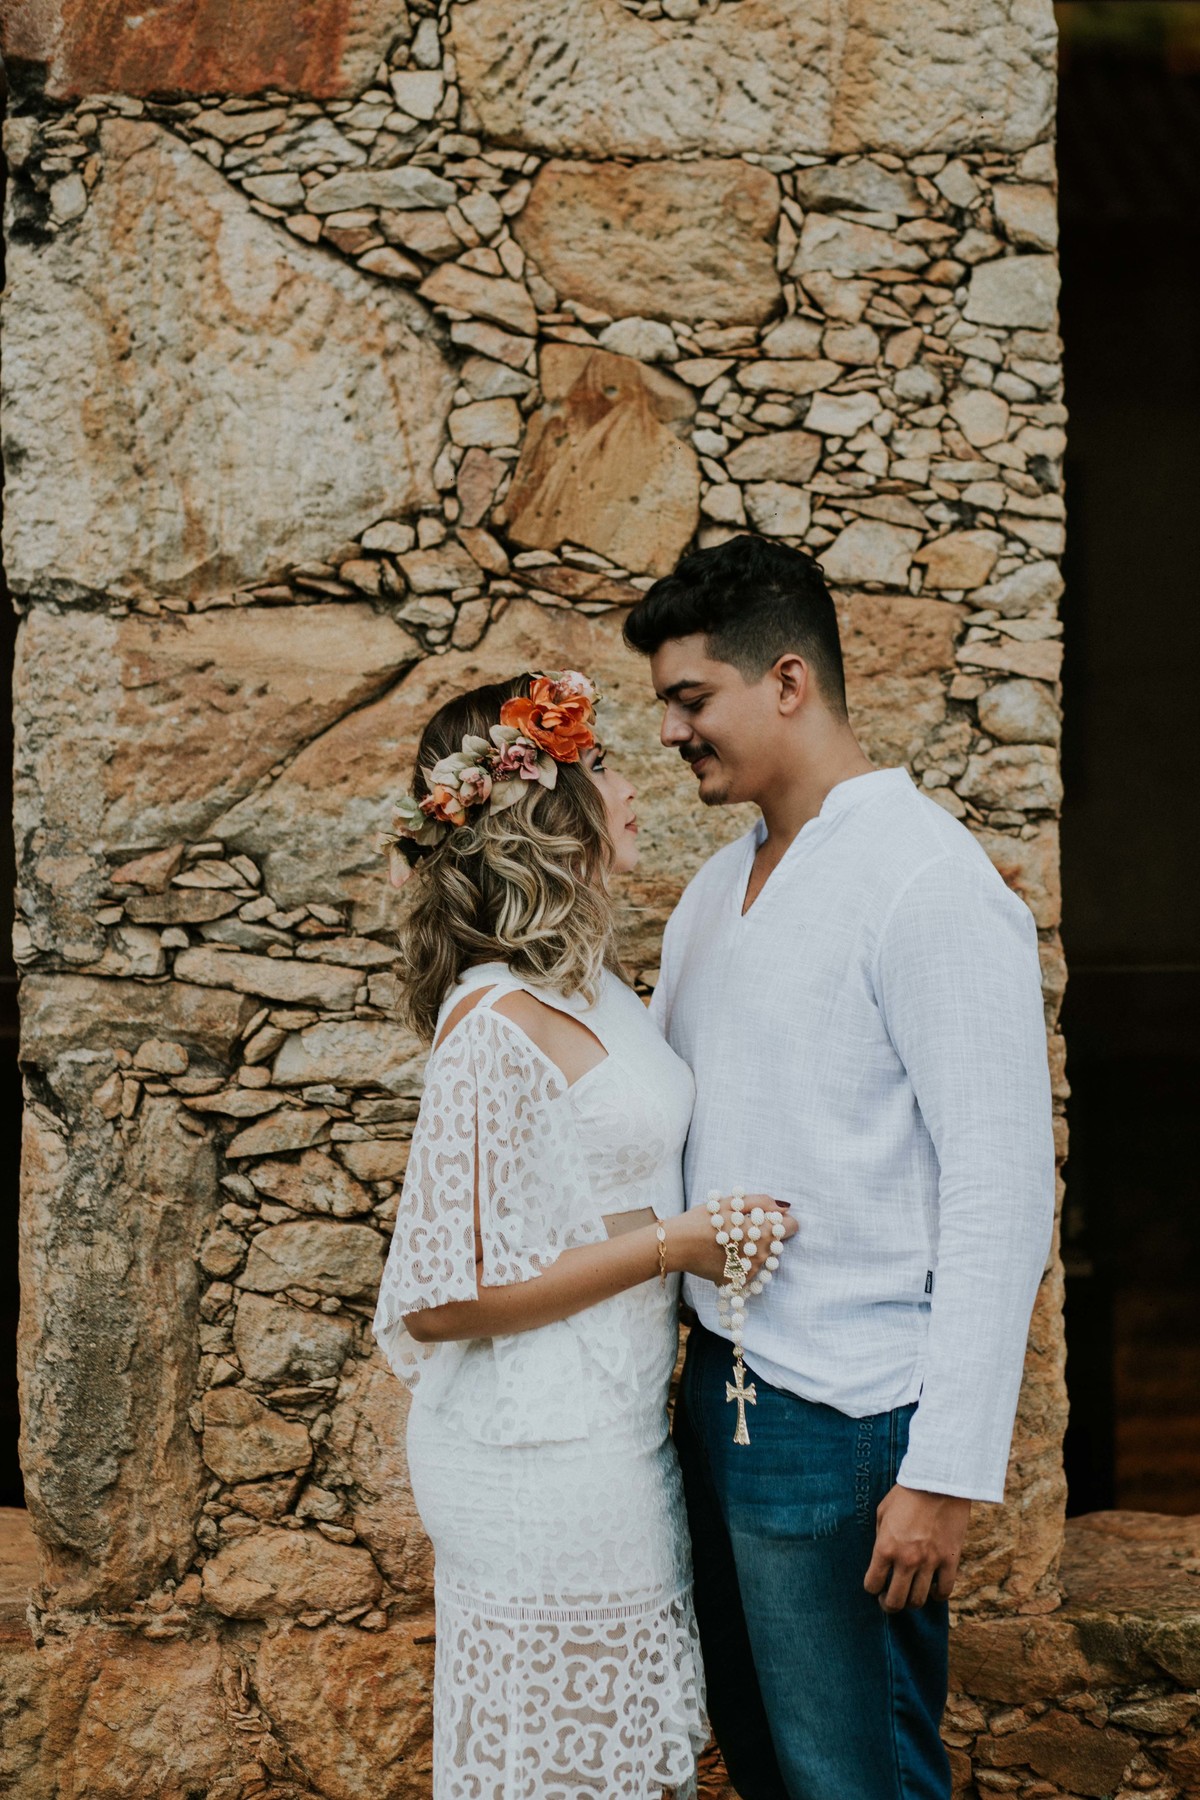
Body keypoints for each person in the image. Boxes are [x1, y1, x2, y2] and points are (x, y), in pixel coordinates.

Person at [624, 536, 1056, 1800]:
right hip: (716, 1398)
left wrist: (946, 1470)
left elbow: (1001, 1183)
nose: (670, 732)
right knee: (767, 1768)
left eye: (691, 698)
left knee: (857, 1779)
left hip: (850, 1418)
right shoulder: (715, 890)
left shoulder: (927, 881)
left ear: (788, 681)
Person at [372, 668, 798, 1800]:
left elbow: (593, 1185)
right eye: (600, 765)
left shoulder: (587, 987)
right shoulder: (492, 1023)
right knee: (563, 1770)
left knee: (630, 1766)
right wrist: (675, 1246)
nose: (632, 781)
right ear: (540, 803)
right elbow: (439, 1297)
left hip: (616, 1429)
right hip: (533, 1455)